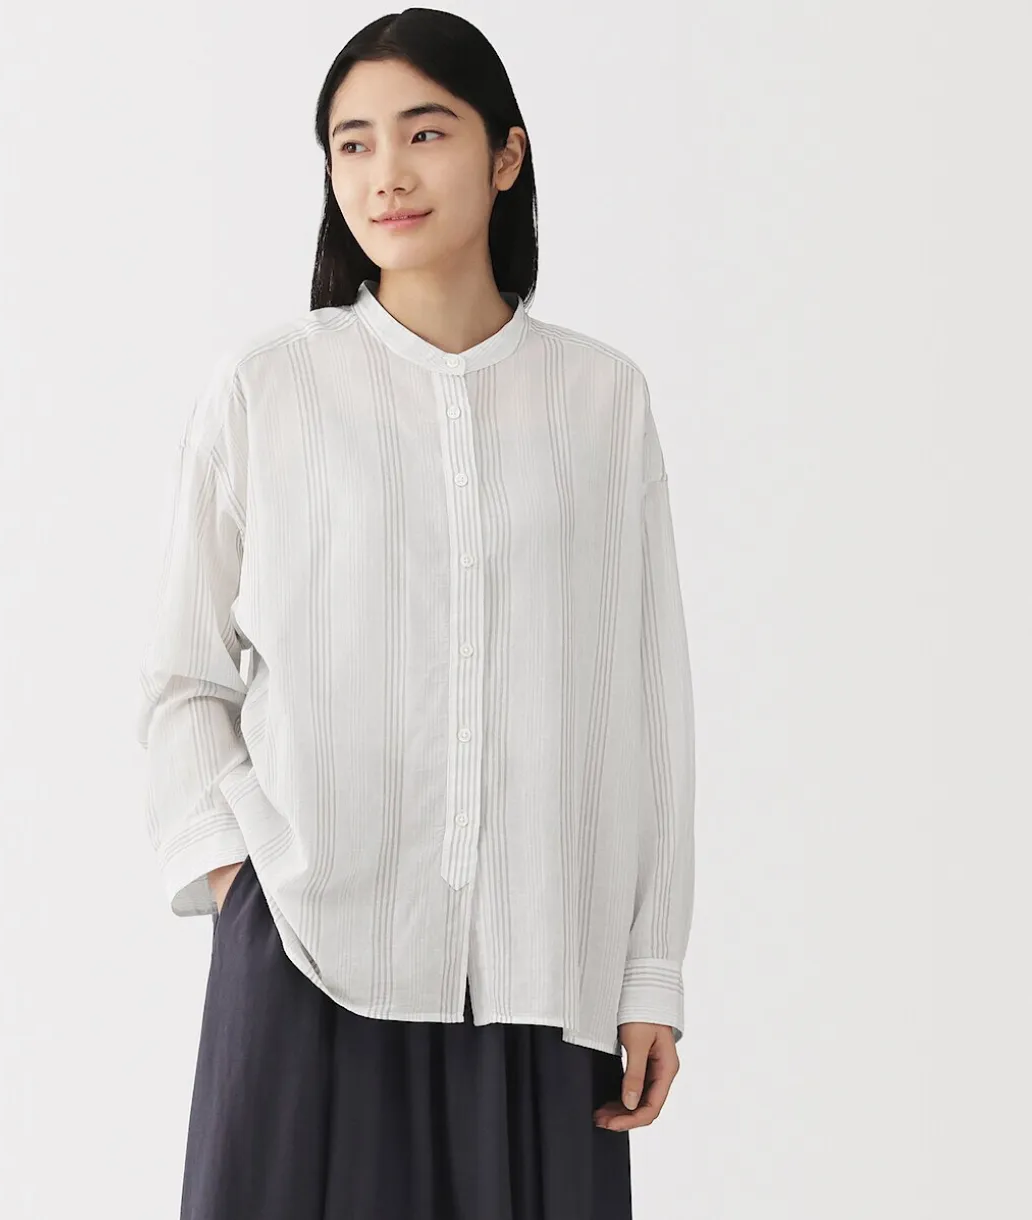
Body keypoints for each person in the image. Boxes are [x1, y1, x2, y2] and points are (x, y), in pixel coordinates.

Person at [135, 8, 695, 1218]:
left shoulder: (600, 401)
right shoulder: (267, 390)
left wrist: (648, 969)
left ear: (505, 155)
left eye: (423, 132)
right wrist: (244, 886)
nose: (383, 172)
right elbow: (182, 677)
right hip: (308, 955)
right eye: (351, 143)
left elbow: (642, 707)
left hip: (540, 974)